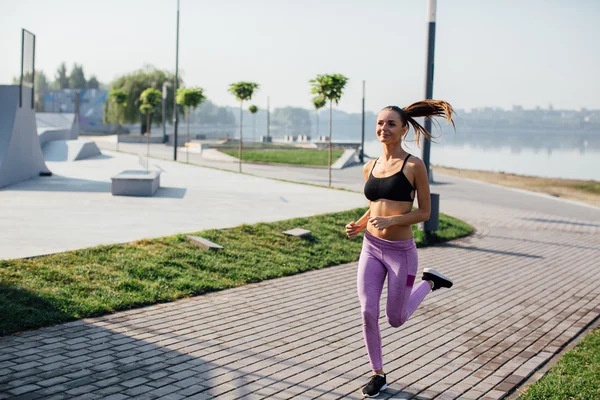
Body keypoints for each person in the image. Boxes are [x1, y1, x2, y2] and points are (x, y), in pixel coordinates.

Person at [345, 101, 456, 398]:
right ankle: (377, 373)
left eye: (391, 124)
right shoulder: (370, 166)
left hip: (400, 253)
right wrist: (359, 224)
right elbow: (374, 205)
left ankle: (430, 281)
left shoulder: (414, 165)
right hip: (370, 247)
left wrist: (391, 220)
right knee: (367, 311)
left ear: (404, 129)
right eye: (380, 123)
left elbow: (424, 212)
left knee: (396, 319)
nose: (384, 128)